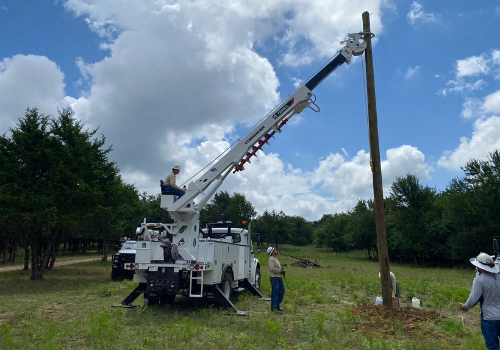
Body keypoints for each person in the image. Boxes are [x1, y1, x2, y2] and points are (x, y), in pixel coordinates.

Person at [460, 252, 500, 350]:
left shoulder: (479, 280)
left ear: (480, 267)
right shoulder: (498, 277)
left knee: (493, 346)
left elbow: (473, 299)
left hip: (489, 318)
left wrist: (465, 307)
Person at [267, 246, 285, 312]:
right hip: (274, 278)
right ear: (272, 252)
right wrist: (280, 271)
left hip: (278, 278)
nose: (276, 250)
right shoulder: (271, 259)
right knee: (275, 293)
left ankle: (277, 306)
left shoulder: (275, 259)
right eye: (274, 249)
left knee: (282, 291)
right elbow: (272, 268)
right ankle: (274, 308)